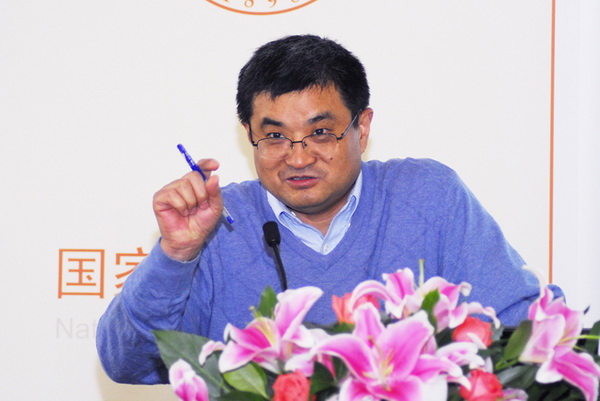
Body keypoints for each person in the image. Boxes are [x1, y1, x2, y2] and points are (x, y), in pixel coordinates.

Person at [96, 34, 562, 384]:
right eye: (274, 136)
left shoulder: (428, 196)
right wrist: (177, 253)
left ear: (363, 126)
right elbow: (127, 363)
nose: (298, 158)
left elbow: (521, 332)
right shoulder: (218, 222)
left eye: (321, 133)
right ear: (249, 134)